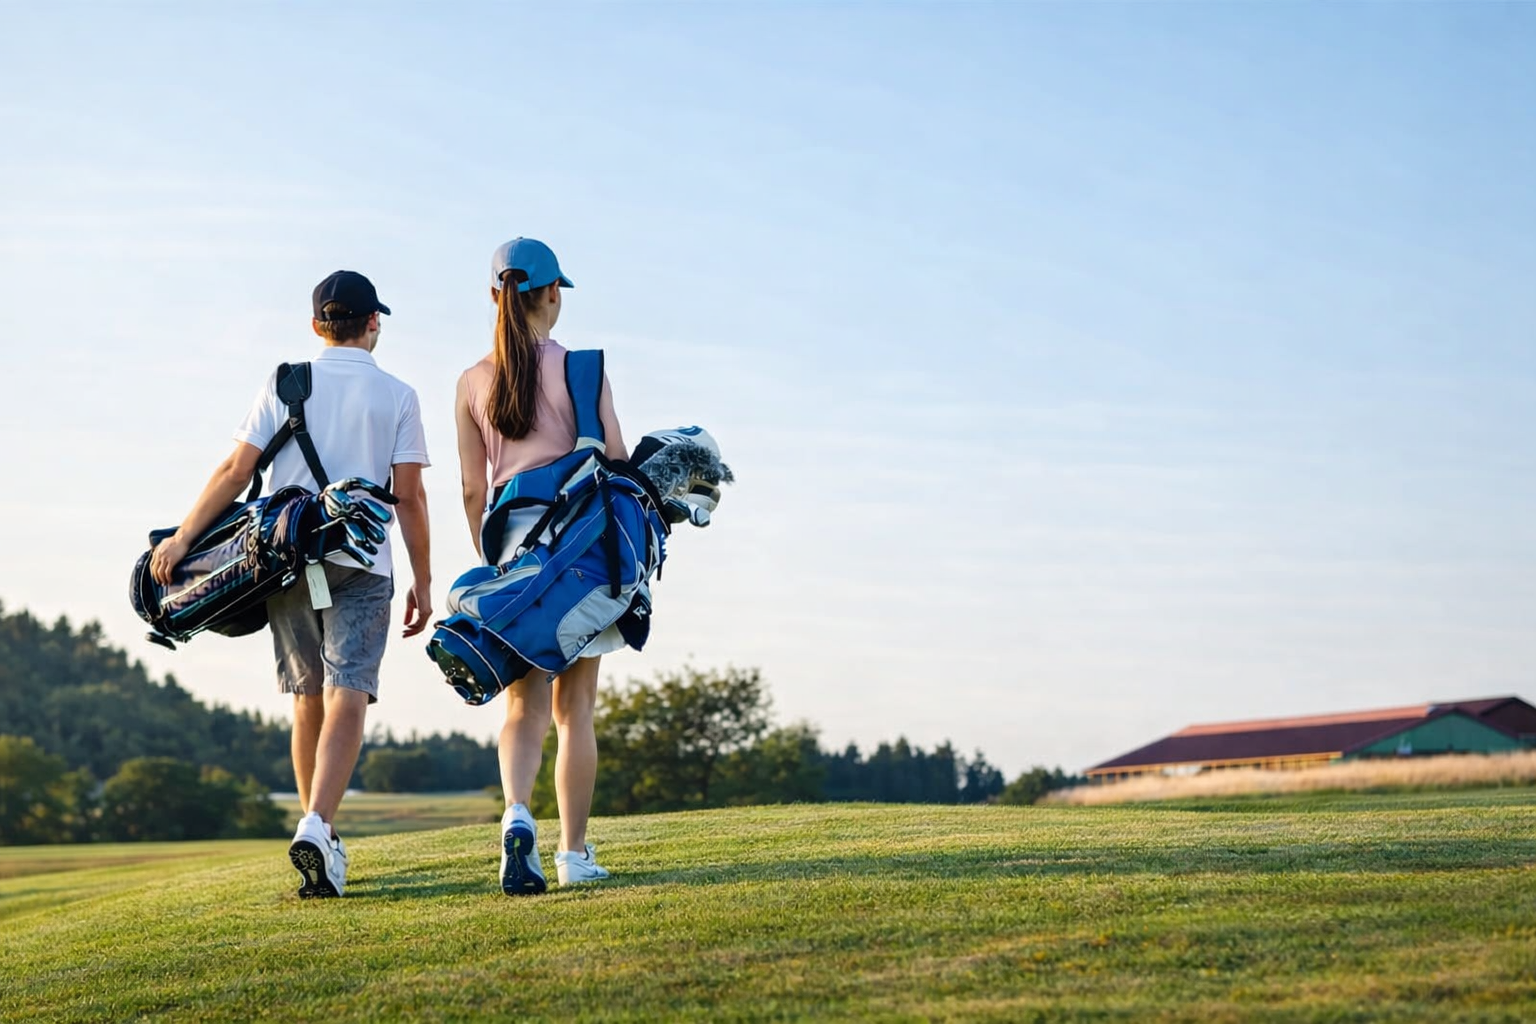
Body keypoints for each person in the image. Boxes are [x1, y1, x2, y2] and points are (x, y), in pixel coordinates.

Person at [150, 270, 432, 898]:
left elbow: (235, 470)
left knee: (307, 698)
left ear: (316, 326)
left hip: (285, 557)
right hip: (364, 562)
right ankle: (318, 825)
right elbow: (409, 496)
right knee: (348, 693)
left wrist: (181, 540)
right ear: (373, 324)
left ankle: (319, 835)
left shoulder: (284, 382)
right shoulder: (399, 395)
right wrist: (423, 578)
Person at [455, 238, 626, 894]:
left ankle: (516, 815)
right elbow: (613, 457)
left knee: (521, 709)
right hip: (580, 552)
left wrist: (494, 563)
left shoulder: (471, 381)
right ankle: (573, 854)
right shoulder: (584, 368)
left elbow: (474, 491)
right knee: (575, 707)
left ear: (494, 296)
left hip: (512, 555)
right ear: (551, 293)